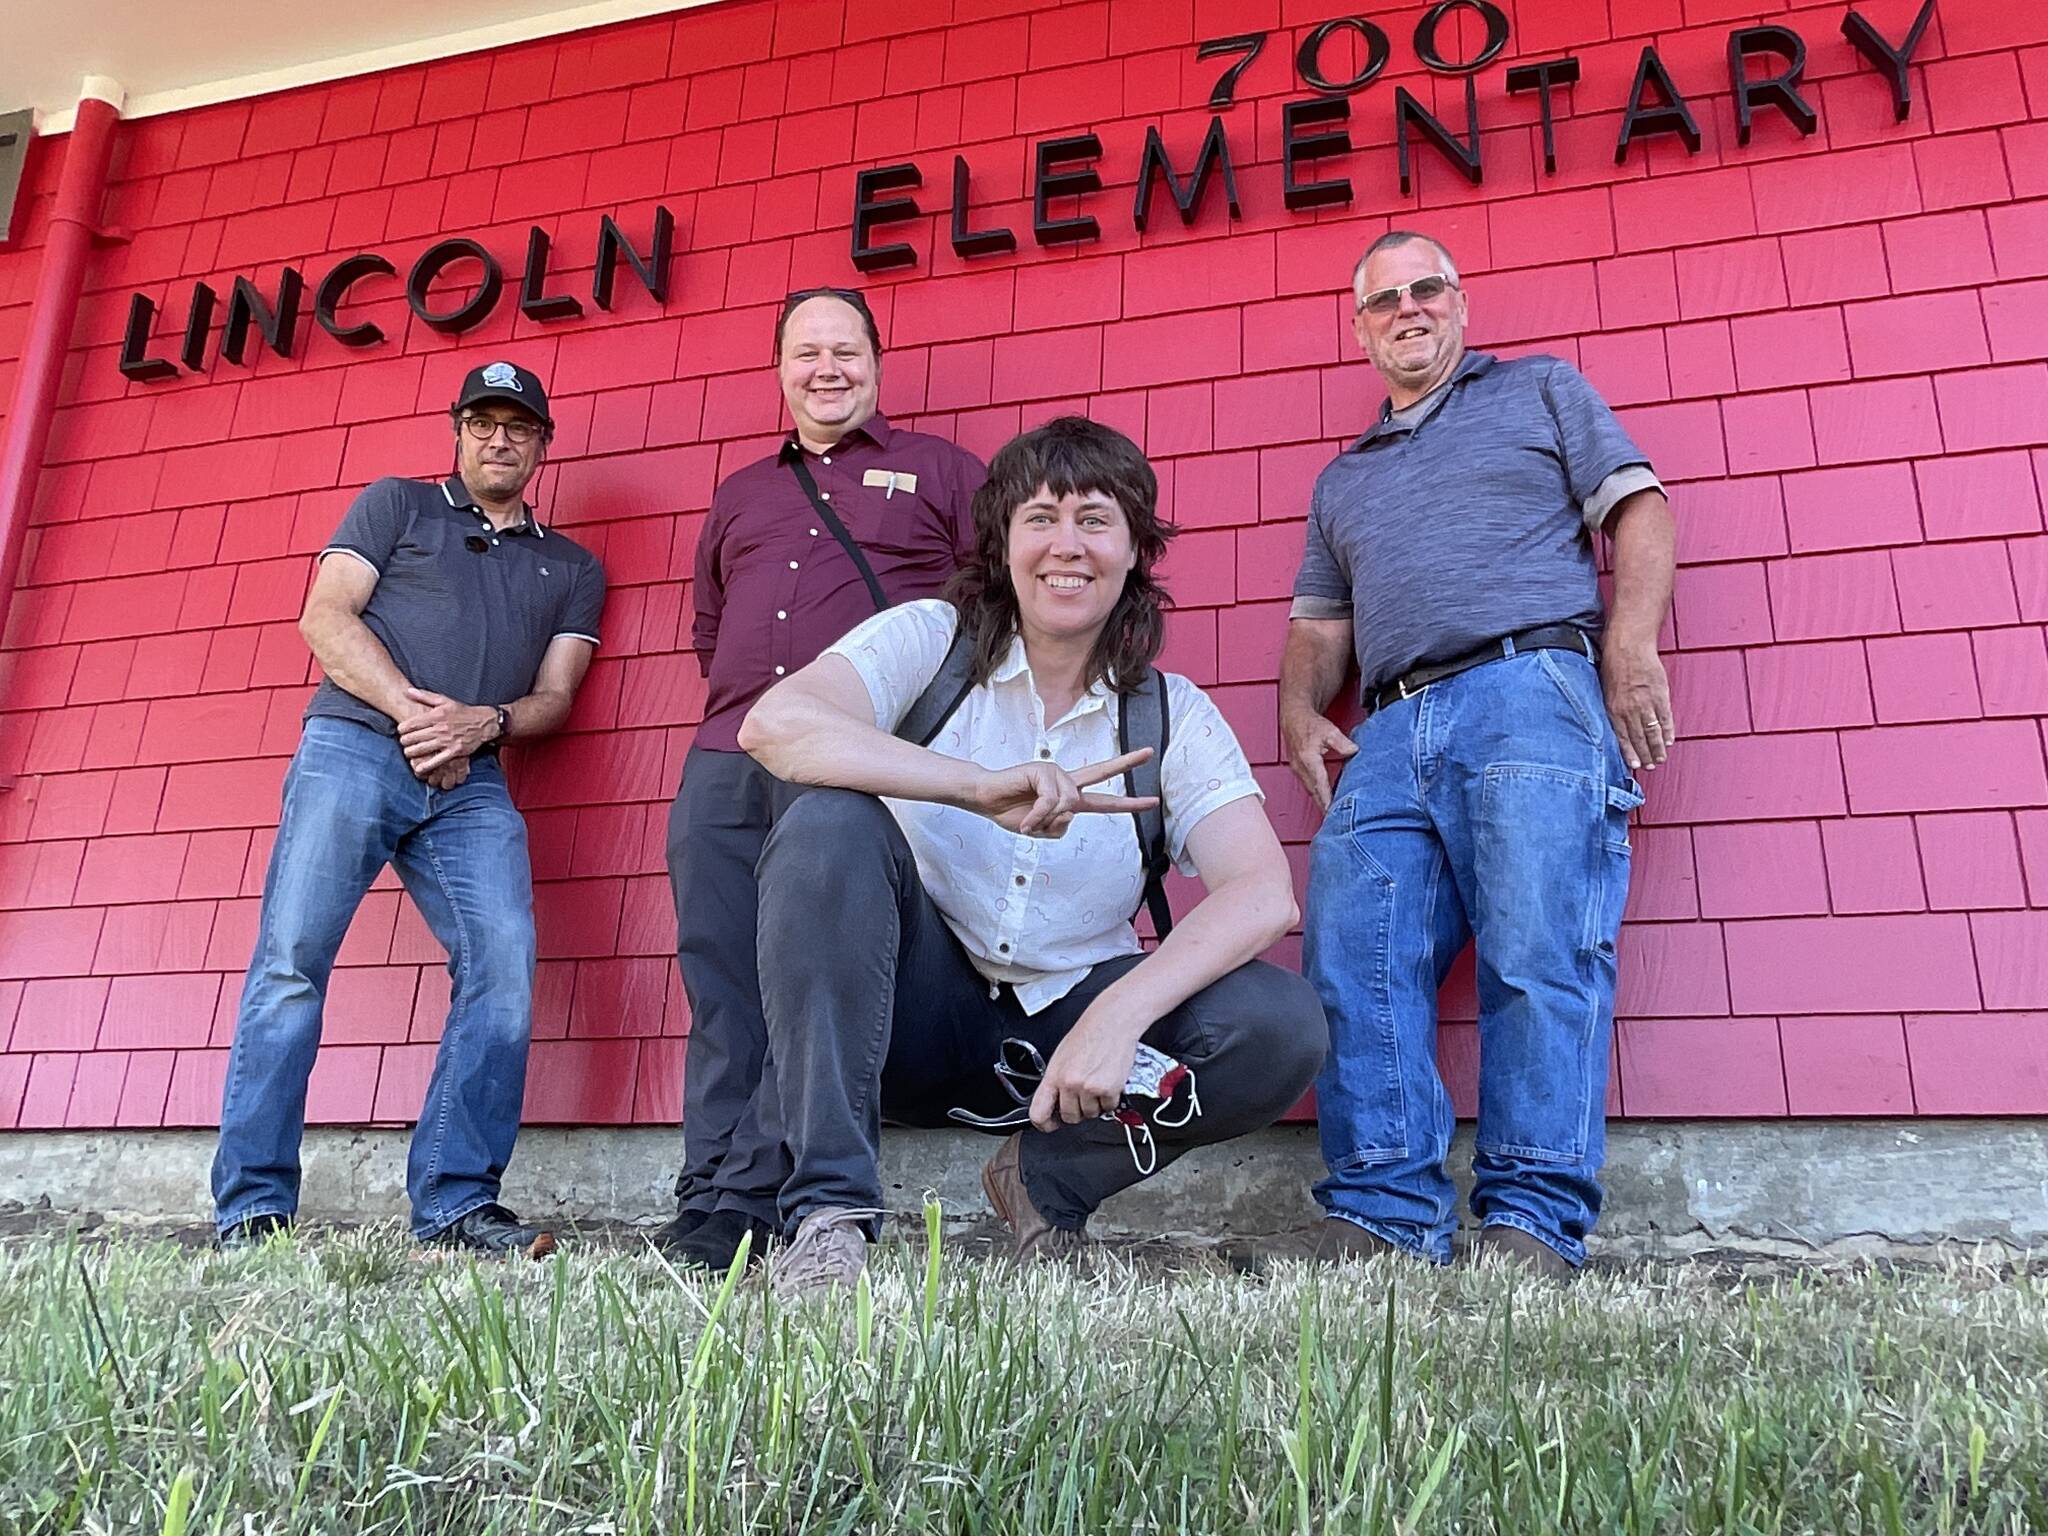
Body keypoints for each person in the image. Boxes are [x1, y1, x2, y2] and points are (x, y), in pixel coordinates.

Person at [737, 415, 1326, 1300]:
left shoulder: (1171, 714)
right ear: (1003, 542)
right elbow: (774, 726)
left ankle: (1045, 1183)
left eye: (1096, 519)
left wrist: (1120, 1011)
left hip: (1067, 1038)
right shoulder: (929, 641)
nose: (1067, 544)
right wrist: (971, 785)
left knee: (1280, 1026)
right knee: (827, 824)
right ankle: (830, 1221)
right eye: (1040, 517)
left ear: (1135, 551)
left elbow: (1263, 892)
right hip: (906, 1016)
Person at [1281, 231, 1676, 1277]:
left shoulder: (1540, 391)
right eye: (1381, 300)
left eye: (1424, 289)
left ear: (1457, 303)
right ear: (1357, 328)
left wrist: (1626, 650)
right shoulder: (1342, 481)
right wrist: (1293, 708)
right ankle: (1380, 1210)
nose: (1405, 309)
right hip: (1390, 722)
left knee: (1538, 950)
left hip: (1529, 687)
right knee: (1350, 952)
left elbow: (1637, 509)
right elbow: (1320, 630)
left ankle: (1530, 1221)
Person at [211, 361, 605, 1257]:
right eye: (482, 422)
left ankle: (456, 1204)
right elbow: (325, 618)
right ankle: (253, 1213)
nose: (498, 438)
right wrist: (414, 712)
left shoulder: (571, 567)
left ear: (544, 443)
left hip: (471, 780)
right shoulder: (397, 504)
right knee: (291, 966)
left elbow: (555, 698)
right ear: (458, 431)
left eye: (518, 426)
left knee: (502, 967)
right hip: (353, 745)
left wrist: (482, 725)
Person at [659, 288, 983, 1272]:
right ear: (781, 371)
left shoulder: (940, 472)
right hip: (723, 754)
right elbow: (711, 624)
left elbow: (985, 617)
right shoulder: (741, 493)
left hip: (844, 753)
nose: (826, 369)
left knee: (794, 971)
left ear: (876, 362)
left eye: (845, 350)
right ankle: (706, 1185)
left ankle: (758, 1199)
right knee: (719, 979)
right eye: (807, 353)